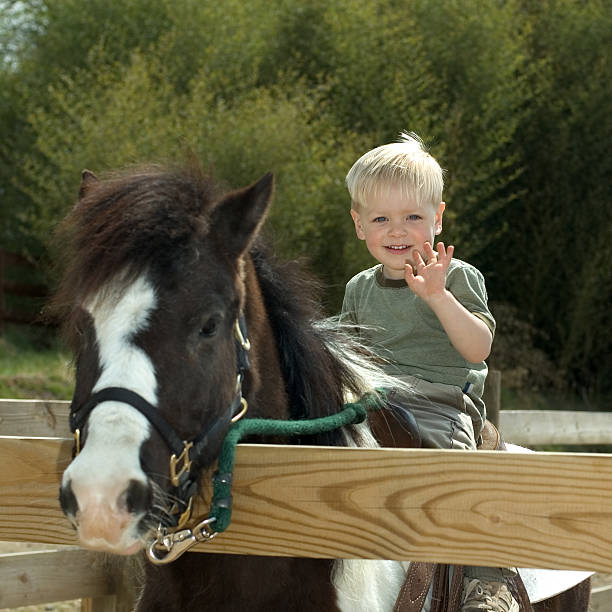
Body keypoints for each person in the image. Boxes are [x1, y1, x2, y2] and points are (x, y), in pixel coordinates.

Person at [340, 132, 519, 612]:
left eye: (413, 217)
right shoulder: (359, 288)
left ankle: (487, 579)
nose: (397, 231)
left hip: (439, 404)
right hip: (370, 401)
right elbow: (349, 355)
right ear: (360, 225)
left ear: (437, 218)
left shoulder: (458, 276)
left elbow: (478, 349)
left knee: (454, 480)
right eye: (381, 219)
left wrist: (438, 297)